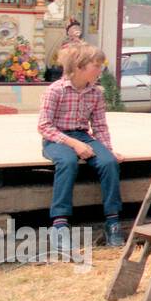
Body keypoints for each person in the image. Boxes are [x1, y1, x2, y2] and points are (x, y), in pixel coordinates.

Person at [38, 43, 125, 247]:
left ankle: (112, 222)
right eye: (96, 65)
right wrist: (73, 144)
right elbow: (44, 126)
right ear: (80, 66)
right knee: (68, 162)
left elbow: (100, 126)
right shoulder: (55, 91)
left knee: (109, 163)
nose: (100, 70)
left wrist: (108, 150)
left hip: (82, 136)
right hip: (57, 138)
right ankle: (59, 224)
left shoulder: (95, 93)